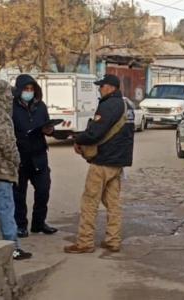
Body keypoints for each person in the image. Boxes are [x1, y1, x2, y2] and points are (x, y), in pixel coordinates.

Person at [64, 74, 134, 254]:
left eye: (101, 86)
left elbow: (95, 133)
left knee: (90, 201)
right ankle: (113, 240)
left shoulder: (108, 105)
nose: (99, 89)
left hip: (103, 160)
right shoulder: (127, 106)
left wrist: (78, 138)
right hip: (118, 161)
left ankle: (85, 242)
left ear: (110, 88)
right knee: (113, 203)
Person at [0, 79, 32, 260]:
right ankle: (12, 248)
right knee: (6, 209)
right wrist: (16, 160)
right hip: (0, 171)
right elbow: (6, 142)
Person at [12, 74, 57, 238]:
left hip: (39, 156)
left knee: (43, 190)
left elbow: (48, 125)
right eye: (26, 89)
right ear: (19, 90)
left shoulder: (41, 106)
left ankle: (39, 223)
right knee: (19, 194)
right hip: (20, 157)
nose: (29, 92)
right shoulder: (11, 107)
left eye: (32, 89)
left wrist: (50, 130)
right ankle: (20, 225)